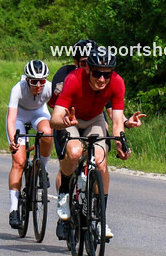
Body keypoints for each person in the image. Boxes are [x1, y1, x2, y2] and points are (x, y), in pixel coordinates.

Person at [49, 45, 145, 240]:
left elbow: (117, 120)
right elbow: (54, 118)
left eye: (106, 75)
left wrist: (121, 145)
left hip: (95, 119)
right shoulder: (73, 79)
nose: (102, 79)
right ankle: (64, 195)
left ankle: (99, 217)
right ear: (87, 70)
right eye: (97, 74)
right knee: (75, 152)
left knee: (100, 162)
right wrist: (64, 121)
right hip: (71, 118)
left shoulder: (117, 83)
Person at [49, 39, 95, 239]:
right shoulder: (64, 74)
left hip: (89, 121)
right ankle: (63, 213)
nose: (89, 66)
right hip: (67, 121)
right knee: (68, 162)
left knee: (96, 161)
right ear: (76, 62)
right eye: (85, 62)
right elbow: (56, 107)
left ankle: (93, 208)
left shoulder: (98, 76)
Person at [6, 59, 54, 229]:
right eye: (34, 81)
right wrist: (13, 140)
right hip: (19, 118)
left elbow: (59, 109)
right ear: (27, 80)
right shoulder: (17, 89)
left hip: (39, 114)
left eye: (42, 81)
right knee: (19, 162)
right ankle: (13, 209)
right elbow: (11, 120)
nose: (38, 85)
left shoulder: (49, 87)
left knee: (48, 133)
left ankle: (42, 167)